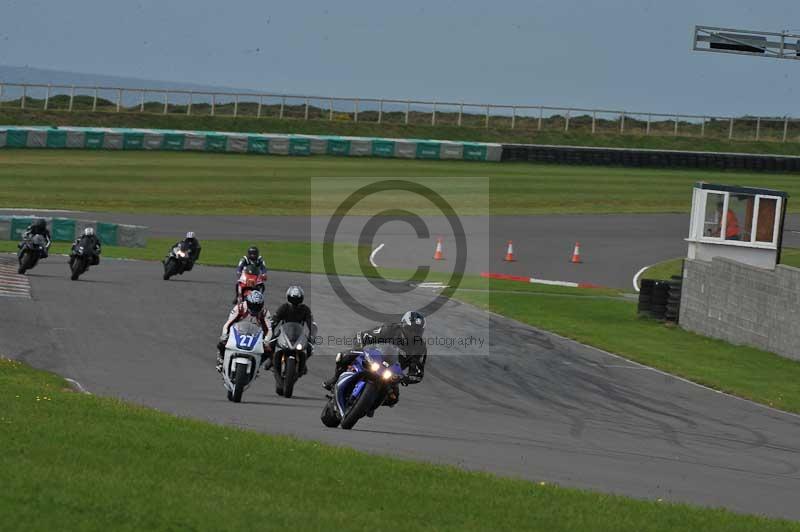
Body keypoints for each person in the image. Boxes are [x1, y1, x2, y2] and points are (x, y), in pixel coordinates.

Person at [322, 311, 427, 395]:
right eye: (411, 330)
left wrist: (405, 378)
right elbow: (363, 335)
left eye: (418, 331)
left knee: (393, 399)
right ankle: (335, 379)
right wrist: (359, 347)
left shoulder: (420, 348)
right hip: (375, 358)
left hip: (392, 373)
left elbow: (418, 373)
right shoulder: (390, 329)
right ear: (403, 325)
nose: (414, 333)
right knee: (345, 356)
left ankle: (368, 405)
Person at [217, 290, 273, 373]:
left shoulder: (264, 312)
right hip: (237, 332)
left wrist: (266, 341)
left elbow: (268, 330)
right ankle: (221, 360)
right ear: (248, 302)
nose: (254, 309)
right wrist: (224, 334)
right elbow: (228, 323)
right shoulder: (240, 308)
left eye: (257, 306)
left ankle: (257, 364)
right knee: (222, 343)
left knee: (268, 350)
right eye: (252, 305)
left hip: (254, 335)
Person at [270, 285, 318, 374]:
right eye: (293, 299)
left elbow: (311, 323)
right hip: (284, 332)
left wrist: (312, 336)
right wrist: (271, 331)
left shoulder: (305, 309)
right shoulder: (284, 307)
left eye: (297, 299)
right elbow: (274, 320)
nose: (295, 302)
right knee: (271, 343)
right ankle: (272, 360)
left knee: (309, 348)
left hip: (299, 334)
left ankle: (303, 363)